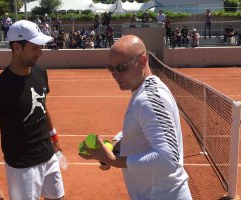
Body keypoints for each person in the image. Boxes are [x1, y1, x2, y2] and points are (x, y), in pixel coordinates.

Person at [79, 35, 192, 200]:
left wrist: (114, 161)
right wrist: (114, 147)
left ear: (142, 61)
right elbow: (140, 129)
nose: (115, 74)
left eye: (122, 68)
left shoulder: (149, 99)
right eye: (111, 68)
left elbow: (168, 159)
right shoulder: (144, 90)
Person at [0, 20, 65, 200]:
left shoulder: (41, 73)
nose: (40, 53)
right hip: (22, 167)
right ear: (17, 47)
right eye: (35, 48)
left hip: (48, 157)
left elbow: (42, 107)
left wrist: (54, 139)